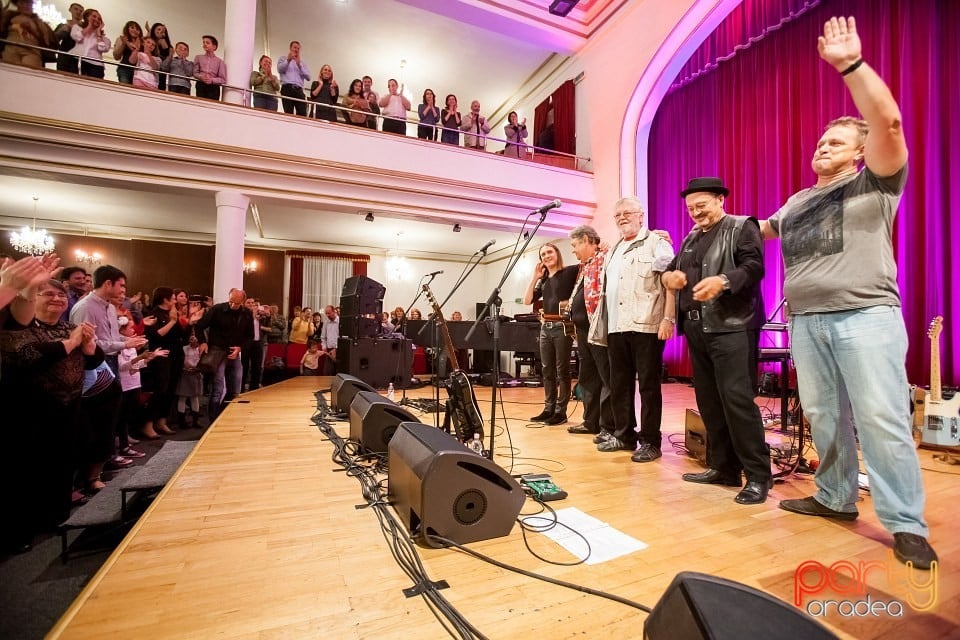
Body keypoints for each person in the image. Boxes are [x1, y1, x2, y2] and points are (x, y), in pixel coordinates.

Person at [759, 16, 936, 568]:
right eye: (820, 142)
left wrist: (851, 67)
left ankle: (905, 523)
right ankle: (835, 497)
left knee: (882, 418)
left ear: (859, 153)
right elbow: (751, 233)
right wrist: (701, 228)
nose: (822, 147)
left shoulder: (876, 181)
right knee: (824, 416)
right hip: (808, 322)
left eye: (835, 142)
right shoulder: (794, 201)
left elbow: (890, 123)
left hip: (865, 316)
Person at [662, 177, 771, 504]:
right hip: (697, 328)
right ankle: (723, 467)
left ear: (721, 199)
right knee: (709, 401)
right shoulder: (691, 237)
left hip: (733, 326)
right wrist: (670, 277)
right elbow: (669, 271)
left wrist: (723, 282)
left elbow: (754, 268)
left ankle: (758, 476)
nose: (695, 212)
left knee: (737, 400)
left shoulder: (742, 227)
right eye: (691, 208)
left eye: (702, 205)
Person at [596, 197, 675, 461]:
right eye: (617, 215)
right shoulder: (614, 249)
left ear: (641, 215)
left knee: (649, 388)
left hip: (646, 326)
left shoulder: (657, 242)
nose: (621, 218)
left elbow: (670, 281)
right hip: (617, 327)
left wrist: (668, 318)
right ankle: (624, 435)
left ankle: (651, 442)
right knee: (619, 385)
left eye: (627, 213)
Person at [566, 225, 614, 440]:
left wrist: (605, 246)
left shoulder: (605, 256)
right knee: (589, 377)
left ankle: (607, 426)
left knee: (606, 377)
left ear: (587, 240)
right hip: (584, 330)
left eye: (575, 245)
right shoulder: (584, 265)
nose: (573, 250)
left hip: (599, 327)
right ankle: (590, 421)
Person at [523, 242, 578, 425]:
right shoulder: (544, 280)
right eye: (543, 254)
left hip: (562, 326)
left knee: (562, 370)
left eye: (549, 252)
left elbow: (589, 265)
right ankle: (548, 409)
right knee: (546, 370)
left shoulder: (570, 272)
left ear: (557, 253)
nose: (546, 256)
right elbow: (527, 300)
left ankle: (560, 412)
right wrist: (535, 277)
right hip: (545, 327)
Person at [194, 288, 254, 420]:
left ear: (243, 302)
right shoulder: (217, 309)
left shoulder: (247, 314)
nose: (233, 305)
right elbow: (199, 326)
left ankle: (224, 415)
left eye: (237, 303)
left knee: (236, 389)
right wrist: (203, 342)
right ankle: (213, 419)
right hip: (217, 350)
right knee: (218, 388)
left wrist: (240, 348)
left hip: (234, 352)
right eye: (231, 301)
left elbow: (250, 337)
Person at [0, 0, 55, 70]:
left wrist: (30, 28)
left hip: (31, 50)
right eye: (22, 3)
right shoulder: (7, 17)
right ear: (18, 5)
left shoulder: (39, 23)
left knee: (29, 73)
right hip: (10, 49)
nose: (25, 6)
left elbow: (46, 40)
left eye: (28, 3)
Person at [69, 8, 111, 79]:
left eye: (99, 19)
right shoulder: (77, 28)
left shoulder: (105, 39)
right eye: (94, 16)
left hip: (95, 65)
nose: (97, 19)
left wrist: (98, 33)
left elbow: (102, 48)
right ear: (87, 17)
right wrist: (89, 26)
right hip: (76, 60)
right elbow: (77, 37)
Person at [278, 41, 310, 116]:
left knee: (302, 114)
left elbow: (308, 77)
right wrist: (288, 60)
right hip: (287, 88)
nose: (296, 50)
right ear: (290, 48)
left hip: (299, 90)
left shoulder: (302, 63)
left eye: (298, 48)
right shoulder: (283, 58)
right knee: (288, 113)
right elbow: (280, 69)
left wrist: (299, 65)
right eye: (295, 47)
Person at [193, 34, 225, 101]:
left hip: (213, 87)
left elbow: (222, 79)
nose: (204, 44)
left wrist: (212, 80)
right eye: (203, 42)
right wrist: (201, 77)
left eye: (207, 43)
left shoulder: (220, 61)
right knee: (200, 104)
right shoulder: (198, 57)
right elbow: (195, 73)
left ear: (214, 46)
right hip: (201, 84)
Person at [54, 2, 84, 74]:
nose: (78, 12)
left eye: (81, 11)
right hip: (64, 56)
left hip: (79, 58)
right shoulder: (63, 25)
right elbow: (53, 40)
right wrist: (62, 31)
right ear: (70, 10)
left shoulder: (85, 28)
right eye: (76, 9)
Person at [111, 20, 142, 84]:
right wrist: (123, 44)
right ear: (127, 29)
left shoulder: (142, 43)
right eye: (132, 27)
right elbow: (116, 56)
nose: (135, 30)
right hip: (124, 69)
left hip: (138, 72)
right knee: (124, 87)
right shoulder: (121, 39)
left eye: (137, 29)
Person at [318, 304, 338, 374]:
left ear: (334, 311)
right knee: (327, 373)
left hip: (339, 350)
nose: (327, 315)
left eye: (329, 313)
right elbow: (323, 337)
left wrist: (335, 349)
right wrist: (324, 347)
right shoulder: (326, 322)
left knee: (339, 373)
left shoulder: (341, 321)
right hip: (329, 351)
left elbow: (343, 337)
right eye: (326, 313)